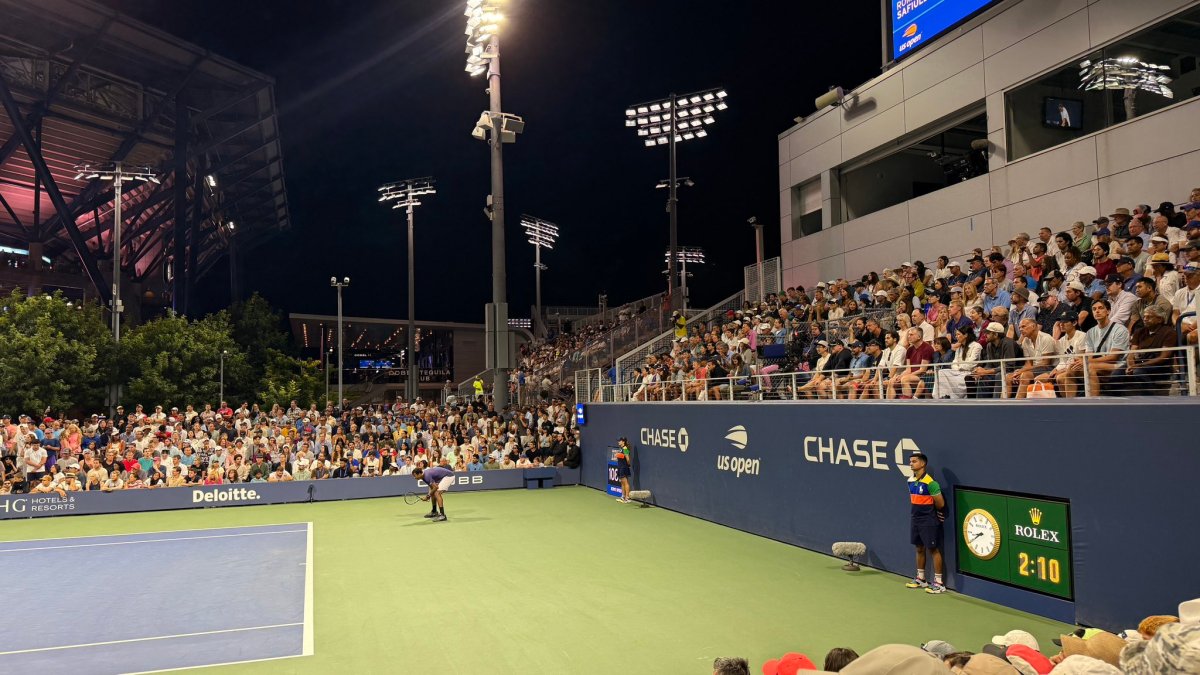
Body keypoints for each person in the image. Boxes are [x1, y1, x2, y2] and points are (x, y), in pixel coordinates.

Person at [905, 452, 947, 594]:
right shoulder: (910, 481)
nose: (911, 464)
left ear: (923, 464)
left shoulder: (931, 483)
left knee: (933, 550)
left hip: (928, 520)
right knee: (919, 548)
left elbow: (940, 503)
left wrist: (933, 513)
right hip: (915, 519)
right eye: (910, 461)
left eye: (914, 461)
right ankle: (921, 579)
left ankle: (939, 583)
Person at [613, 436, 633, 504]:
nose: (618, 442)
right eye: (618, 440)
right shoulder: (621, 448)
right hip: (620, 467)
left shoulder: (625, 448)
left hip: (624, 467)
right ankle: (623, 496)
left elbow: (628, 459)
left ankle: (627, 498)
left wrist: (628, 465)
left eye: (620, 441)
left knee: (625, 482)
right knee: (622, 482)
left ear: (623, 442)